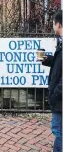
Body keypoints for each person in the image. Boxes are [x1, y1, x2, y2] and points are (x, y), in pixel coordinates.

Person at [39, 10, 62, 152]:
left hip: (60, 99)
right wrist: (47, 59)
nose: (53, 26)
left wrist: (54, 95)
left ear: (58, 24)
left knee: (58, 131)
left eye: (53, 24)